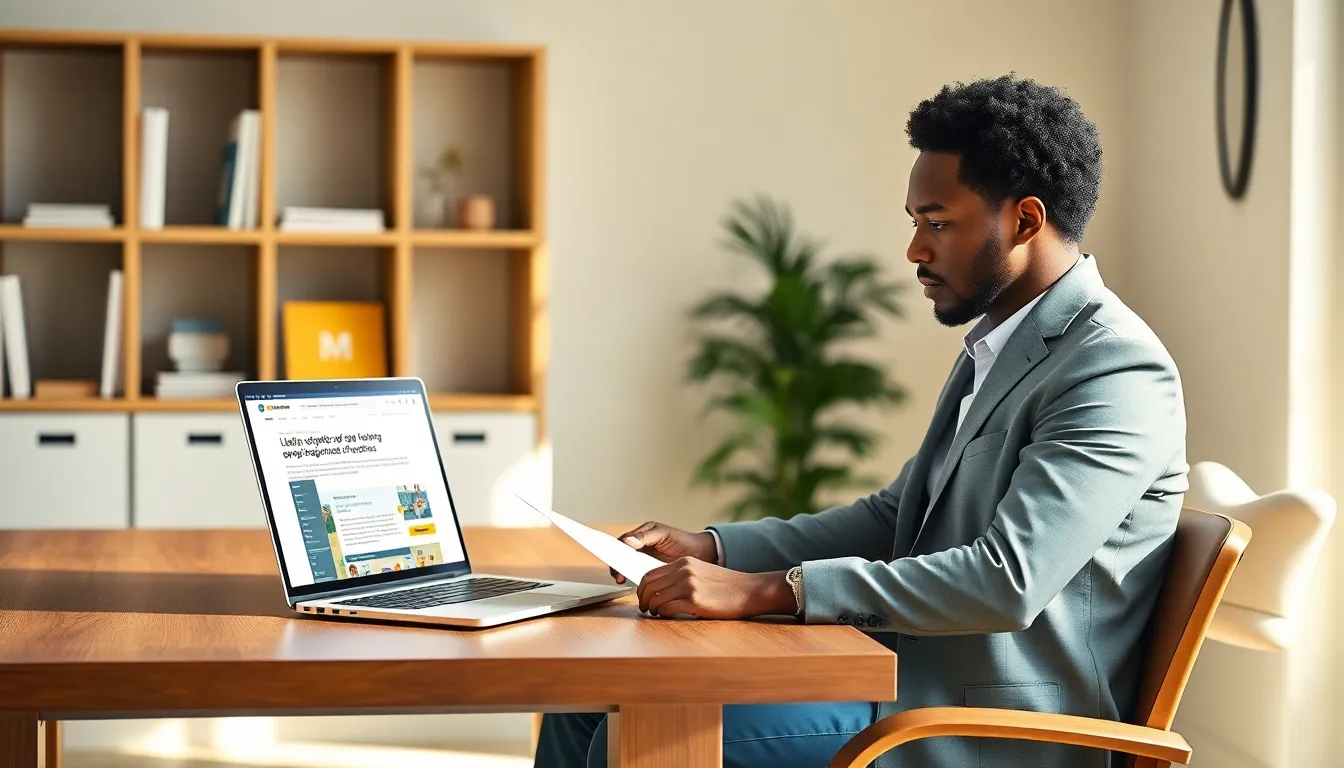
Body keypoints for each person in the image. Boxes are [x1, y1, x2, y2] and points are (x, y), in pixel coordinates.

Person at [534, 74, 1187, 768]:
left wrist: (767, 590)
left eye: (938, 223)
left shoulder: (1114, 369)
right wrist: (715, 549)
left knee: (634, 738)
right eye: (915, 223)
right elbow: (894, 517)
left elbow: (1009, 579)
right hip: (906, 681)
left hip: (991, 724)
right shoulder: (1001, 345)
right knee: (588, 697)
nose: (915, 250)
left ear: (1024, 221)